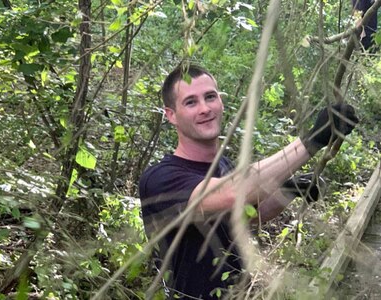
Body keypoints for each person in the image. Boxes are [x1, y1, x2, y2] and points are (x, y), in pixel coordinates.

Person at [139, 64, 358, 299]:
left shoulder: (223, 165)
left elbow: (249, 215)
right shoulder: (160, 179)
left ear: (221, 102)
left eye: (210, 97)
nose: (205, 108)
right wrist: (312, 141)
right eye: (191, 102)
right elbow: (234, 192)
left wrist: (288, 191)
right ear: (171, 114)